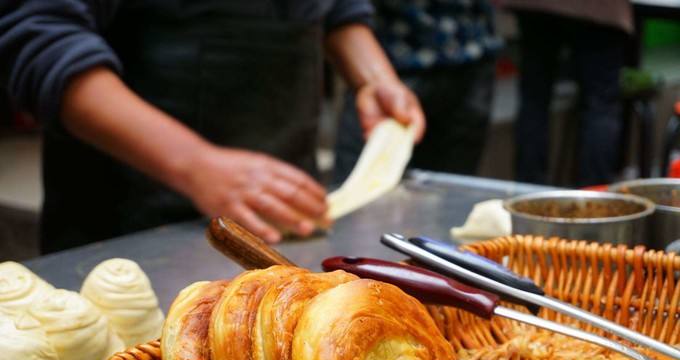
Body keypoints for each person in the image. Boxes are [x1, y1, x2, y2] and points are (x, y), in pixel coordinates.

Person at [0, 1, 425, 252]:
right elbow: (40, 36)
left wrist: (373, 78)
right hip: (135, 232)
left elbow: (334, 9)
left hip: (286, 217)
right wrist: (197, 165)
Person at [333, 0, 503, 184]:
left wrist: (378, 83)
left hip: (470, 52)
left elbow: (340, 10)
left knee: (451, 189)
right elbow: (336, 10)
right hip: (394, 53)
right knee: (363, 187)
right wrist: (376, 81)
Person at [503, 0, 633, 186]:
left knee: (534, 100)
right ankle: (594, 198)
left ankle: (528, 193)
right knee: (601, 106)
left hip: (538, 7)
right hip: (600, 9)